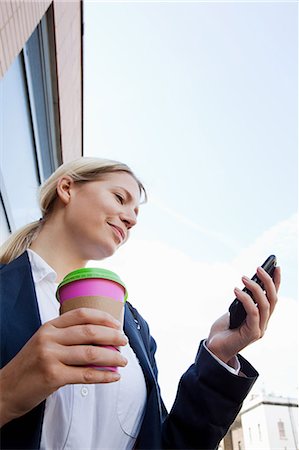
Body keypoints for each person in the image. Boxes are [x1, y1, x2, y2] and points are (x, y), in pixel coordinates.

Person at [0, 157, 280, 450]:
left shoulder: (134, 327)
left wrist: (218, 357)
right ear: (67, 188)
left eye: (135, 213)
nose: (131, 219)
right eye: (120, 198)